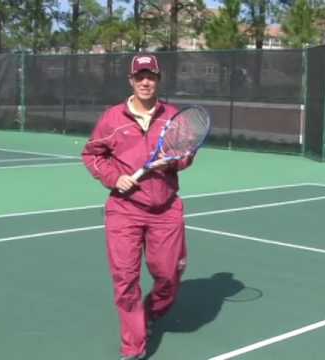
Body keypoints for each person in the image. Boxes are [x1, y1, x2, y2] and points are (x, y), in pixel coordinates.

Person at [82, 54, 194, 360]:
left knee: (169, 274)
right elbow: (92, 155)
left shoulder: (173, 117)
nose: (146, 82)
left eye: (151, 76)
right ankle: (133, 346)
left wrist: (173, 160)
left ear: (159, 80)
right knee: (125, 279)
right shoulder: (112, 118)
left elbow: (186, 154)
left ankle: (152, 310)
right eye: (140, 76)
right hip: (124, 210)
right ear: (131, 80)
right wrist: (114, 178)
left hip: (166, 209)